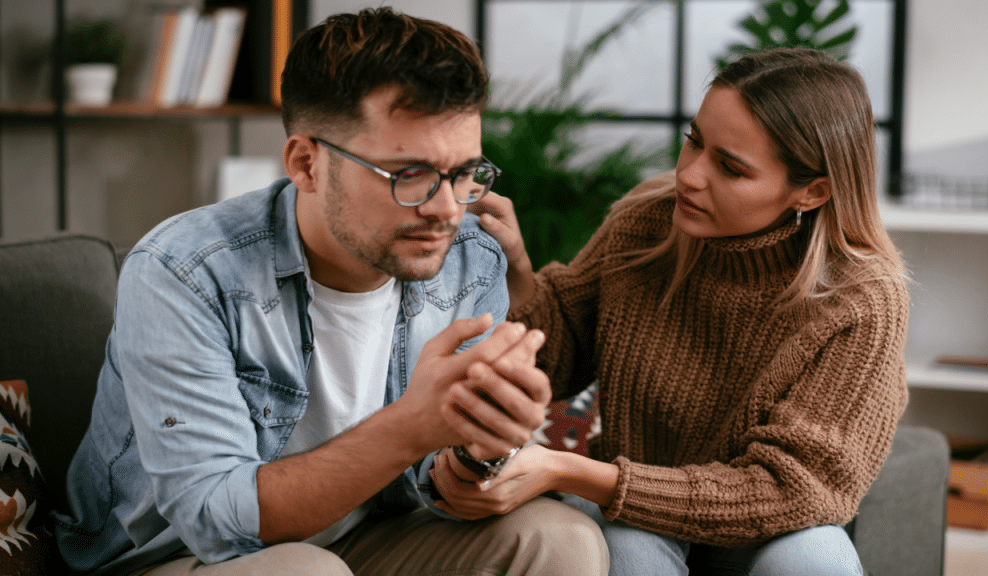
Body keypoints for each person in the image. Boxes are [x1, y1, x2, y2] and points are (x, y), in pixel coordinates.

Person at [53, 8, 608, 576]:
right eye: (408, 174)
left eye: (465, 173)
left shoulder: (470, 258)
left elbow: (434, 480)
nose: (446, 208)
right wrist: (413, 425)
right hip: (177, 556)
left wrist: (477, 452)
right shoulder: (183, 272)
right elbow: (214, 518)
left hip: (365, 537)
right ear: (305, 163)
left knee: (561, 540)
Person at [435, 47, 909, 575]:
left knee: (815, 562)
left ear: (812, 191)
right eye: (694, 142)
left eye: (730, 168)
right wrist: (517, 268)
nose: (690, 175)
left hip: (768, 526)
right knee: (631, 551)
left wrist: (568, 471)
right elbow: (556, 359)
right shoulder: (649, 222)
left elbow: (792, 490)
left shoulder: (860, 299)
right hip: (633, 513)